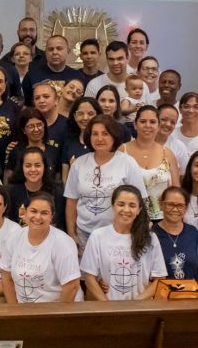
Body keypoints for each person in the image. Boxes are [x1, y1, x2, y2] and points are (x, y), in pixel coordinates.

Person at [65, 114, 146, 255]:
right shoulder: (79, 163)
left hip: (117, 234)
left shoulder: (128, 163)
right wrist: (72, 234)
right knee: (87, 276)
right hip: (84, 233)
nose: (99, 138)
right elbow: (71, 202)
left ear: (114, 136)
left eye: (105, 134)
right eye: (94, 134)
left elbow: (140, 200)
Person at [81, 185, 166, 301]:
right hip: (108, 309)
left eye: (132, 205)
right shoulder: (98, 236)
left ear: (139, 210)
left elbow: (160, 279)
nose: (126, 210)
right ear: (113, 206)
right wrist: (106, 305)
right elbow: (89, 277)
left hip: (140, 308)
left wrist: (136, 303)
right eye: (121, 204)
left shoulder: (150, 238)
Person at [0, 192, 82, 303]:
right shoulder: (14, 237)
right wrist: (13, 309)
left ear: (51, 217)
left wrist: (57, 317)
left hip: (56, 310)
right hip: (23, 310)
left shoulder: (63, 243)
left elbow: (72, 286)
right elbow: (6, 276)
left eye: (44, 213)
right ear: (25, 213)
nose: (38, 217)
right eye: (33, 211)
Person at [119, 105, 179, 221]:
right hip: (129, 218)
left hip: (162, 219)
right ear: (135, 125)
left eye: (152, 122)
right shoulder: (122, 151)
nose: (148, 125)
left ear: (158, 126)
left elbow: (176, 191)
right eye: (143, 121)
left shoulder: (168, 154)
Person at [7, 146, 65, 229]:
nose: (33, 169)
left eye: (37, 165)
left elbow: (60, 225)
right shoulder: (10, 192)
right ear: (22, 167)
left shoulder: (57, 192)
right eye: (28, 165)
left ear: (44, 167)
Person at [152, 187, 198, 281]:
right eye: (170, 204)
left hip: (193, 294)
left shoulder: (193, 233)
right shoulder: (151, 234)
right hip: (162, 294)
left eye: (180, 205)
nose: (175, 209)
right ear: (161, 205)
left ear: (186, 208)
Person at [22, 35, 84, 105]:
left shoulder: (77, 77)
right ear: (46, 52)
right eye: (50, 49)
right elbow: (26, 105)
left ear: (68, 51)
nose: (54, 52)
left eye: (59, 48)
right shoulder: (32, 75)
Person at [3, 108, 58, 182]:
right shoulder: (16, 151)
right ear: (23, 130)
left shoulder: (53, 150)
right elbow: (7, 180)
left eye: (39, 125)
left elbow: (58, 178)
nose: (36, 129)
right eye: (31, 126)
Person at [61, 97, 100, 179]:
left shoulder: (103, 142)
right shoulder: (69, 141)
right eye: (80, 113)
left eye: (90, 114)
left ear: (98, 116)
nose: (85, 118)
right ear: (75, 116)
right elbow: (65, 177)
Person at [32, 81, 69, 156]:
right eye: (37, 98)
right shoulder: (28, 124)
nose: (41, 101)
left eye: (46, 96)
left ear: (56, 100)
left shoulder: (67, 125)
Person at [156, 104, 189, 174]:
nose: (168, 124)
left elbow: (184, 175)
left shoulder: (179, 146)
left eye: (172, 122)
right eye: (164, 119)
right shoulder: (144, 142)